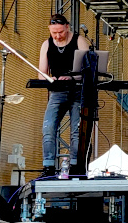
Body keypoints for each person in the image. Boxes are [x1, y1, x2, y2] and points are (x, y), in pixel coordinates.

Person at [38, 13, 90, 176]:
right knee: (48, 127)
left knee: (76, 130)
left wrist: (72, 77)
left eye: (60, 32)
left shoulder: (79, 40)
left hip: (77, 90)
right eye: (54, 32)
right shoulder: (47, 44)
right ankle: (48, 166)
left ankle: (75, 165)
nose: (57, 36)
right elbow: (41, 73)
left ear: (67, 27)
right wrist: (49, 78)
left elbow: (89, 69)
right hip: (57, 91)